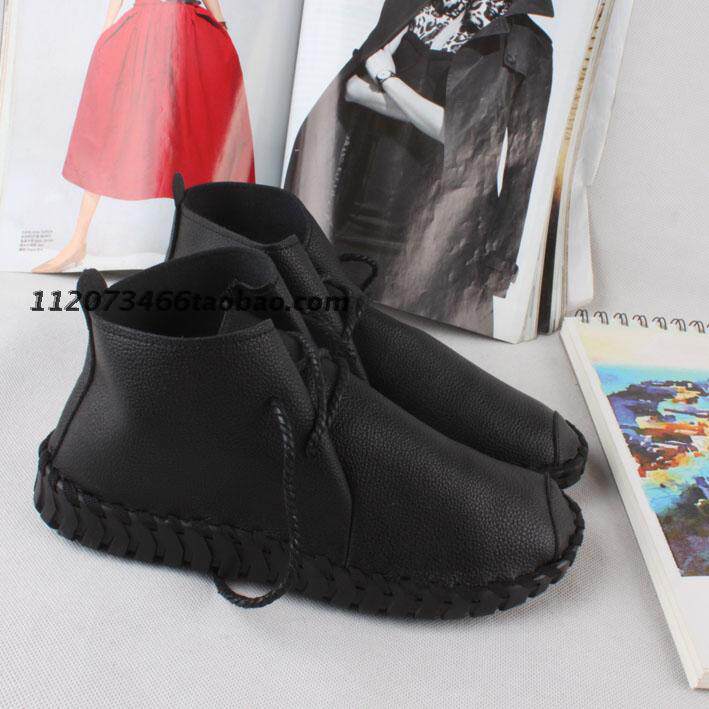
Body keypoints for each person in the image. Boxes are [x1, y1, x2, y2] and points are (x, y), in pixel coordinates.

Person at [286, 0, 554, 335]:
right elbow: (351, 89)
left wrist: (387, 79)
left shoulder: (528, 44)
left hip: (447, 239)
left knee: (410, 357)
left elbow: (512, 162)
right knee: (325, 340)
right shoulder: (410, 7)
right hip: (361, 218)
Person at [34, 0, 254, 274]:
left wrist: (220, 25)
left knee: (190, 139)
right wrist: (107, 29)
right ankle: (78, 241)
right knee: (112, 129)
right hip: (145, 30)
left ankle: (187, 250)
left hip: (187, 31)